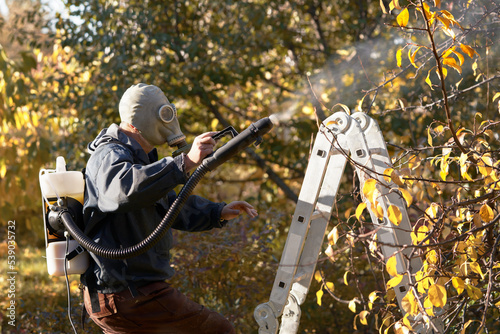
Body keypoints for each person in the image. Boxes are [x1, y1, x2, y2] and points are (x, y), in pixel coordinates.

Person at [81, 83, 257, 334]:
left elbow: (168, 206)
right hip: (131, 294)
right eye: (163, 114)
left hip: (125, 295)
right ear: (142, 119)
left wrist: (216, 212)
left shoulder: (138, 159)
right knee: (218, 330)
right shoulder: (109, 153)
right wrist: (184, 162)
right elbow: (123, 190)